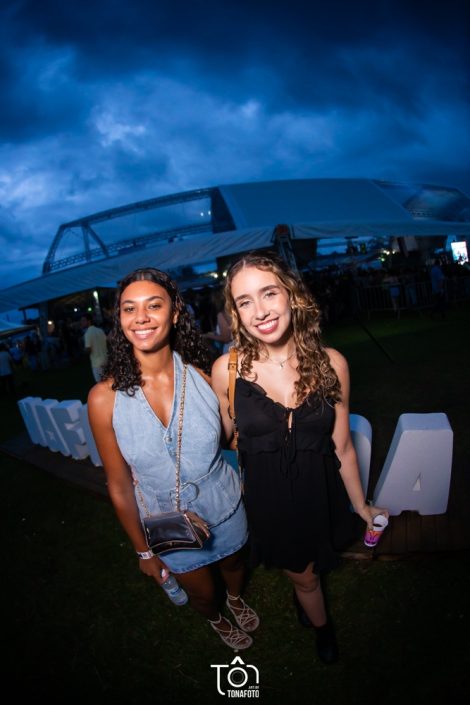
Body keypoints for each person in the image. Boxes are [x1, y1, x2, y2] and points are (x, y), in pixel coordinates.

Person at [211, 251, 388, 664]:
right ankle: (324, 629)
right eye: (245, 301)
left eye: (269, 293)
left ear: (291, 294)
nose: (260, 311)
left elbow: (342, 445)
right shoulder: (226, 370)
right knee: (305, 577)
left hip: (319, 490)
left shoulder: (332, 364)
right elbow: (224, 438)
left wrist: (361, 504)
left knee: (313, 564)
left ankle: (306, 596)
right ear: (236, 313)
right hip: (269, 498)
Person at [87, 268, 259, 650]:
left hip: (225, 501)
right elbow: (119, 485)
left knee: (234, 565)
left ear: (176, 313)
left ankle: (235, 598)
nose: (141, 317)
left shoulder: (204, 377)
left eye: (154, 305)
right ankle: (216, 617)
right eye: (129, 308)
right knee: (203, 594)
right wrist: (143, 551)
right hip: (165, 520)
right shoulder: (103, 399)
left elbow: (231, 440)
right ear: (119, 319)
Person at [81, 313, 108, 382]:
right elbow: (106, 341)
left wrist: (83, 351)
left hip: (97, 364)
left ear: (89, 321)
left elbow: (88, 349)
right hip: (106, 360)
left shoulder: (87, 333)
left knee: (100, 384)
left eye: (83, 320)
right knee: (107, 382)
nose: (82, 322)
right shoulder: (100, 330)